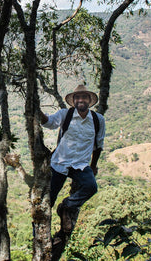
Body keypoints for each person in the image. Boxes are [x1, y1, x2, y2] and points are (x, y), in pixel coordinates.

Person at [40, 84, 105, 234]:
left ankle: (66, 206)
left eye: (84, 97)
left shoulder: (97, 120)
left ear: (89, 100)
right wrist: (37, 111)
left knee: (91, 187)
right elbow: (49, 123)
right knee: (47, 200)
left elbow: (98, 144)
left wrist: (93, 166)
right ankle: (40, 234)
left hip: (81, 165)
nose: (81, 100)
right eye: (77, 97)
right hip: (59, 163)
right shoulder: (65, 114)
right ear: (73, 101)